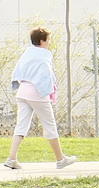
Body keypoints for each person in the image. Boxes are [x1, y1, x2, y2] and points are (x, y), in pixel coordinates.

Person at [4, 28, 77, 169]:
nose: (49, 42)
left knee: (21, 126)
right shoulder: (44, 55)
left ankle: (12, 158)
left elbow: (18, 69)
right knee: (50, 125)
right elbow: (45, 74)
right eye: (48, 40)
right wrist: (48, 89)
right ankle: (60, 159)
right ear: (42, 41)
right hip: (37, 93)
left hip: (22, 91)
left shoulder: (27, 53)